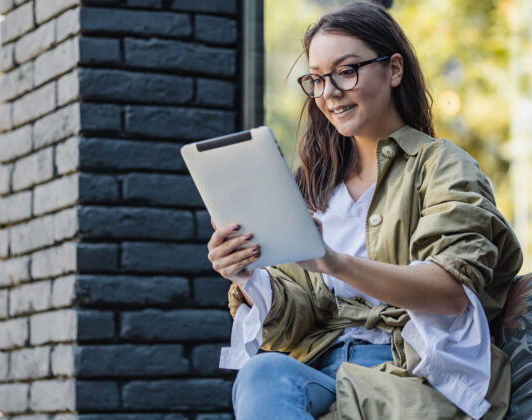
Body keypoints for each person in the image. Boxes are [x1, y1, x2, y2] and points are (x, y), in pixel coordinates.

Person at [207, 2, 524, 419]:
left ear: (394, 70)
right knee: (262, 374)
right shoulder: (311, 183)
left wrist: (334, 262)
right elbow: (295, 322)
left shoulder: (442, 166)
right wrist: (246, 274)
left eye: (346, 70)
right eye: (318, 79)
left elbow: (449, 291)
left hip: (414, 370)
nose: (330, 92)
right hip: (321, 366)